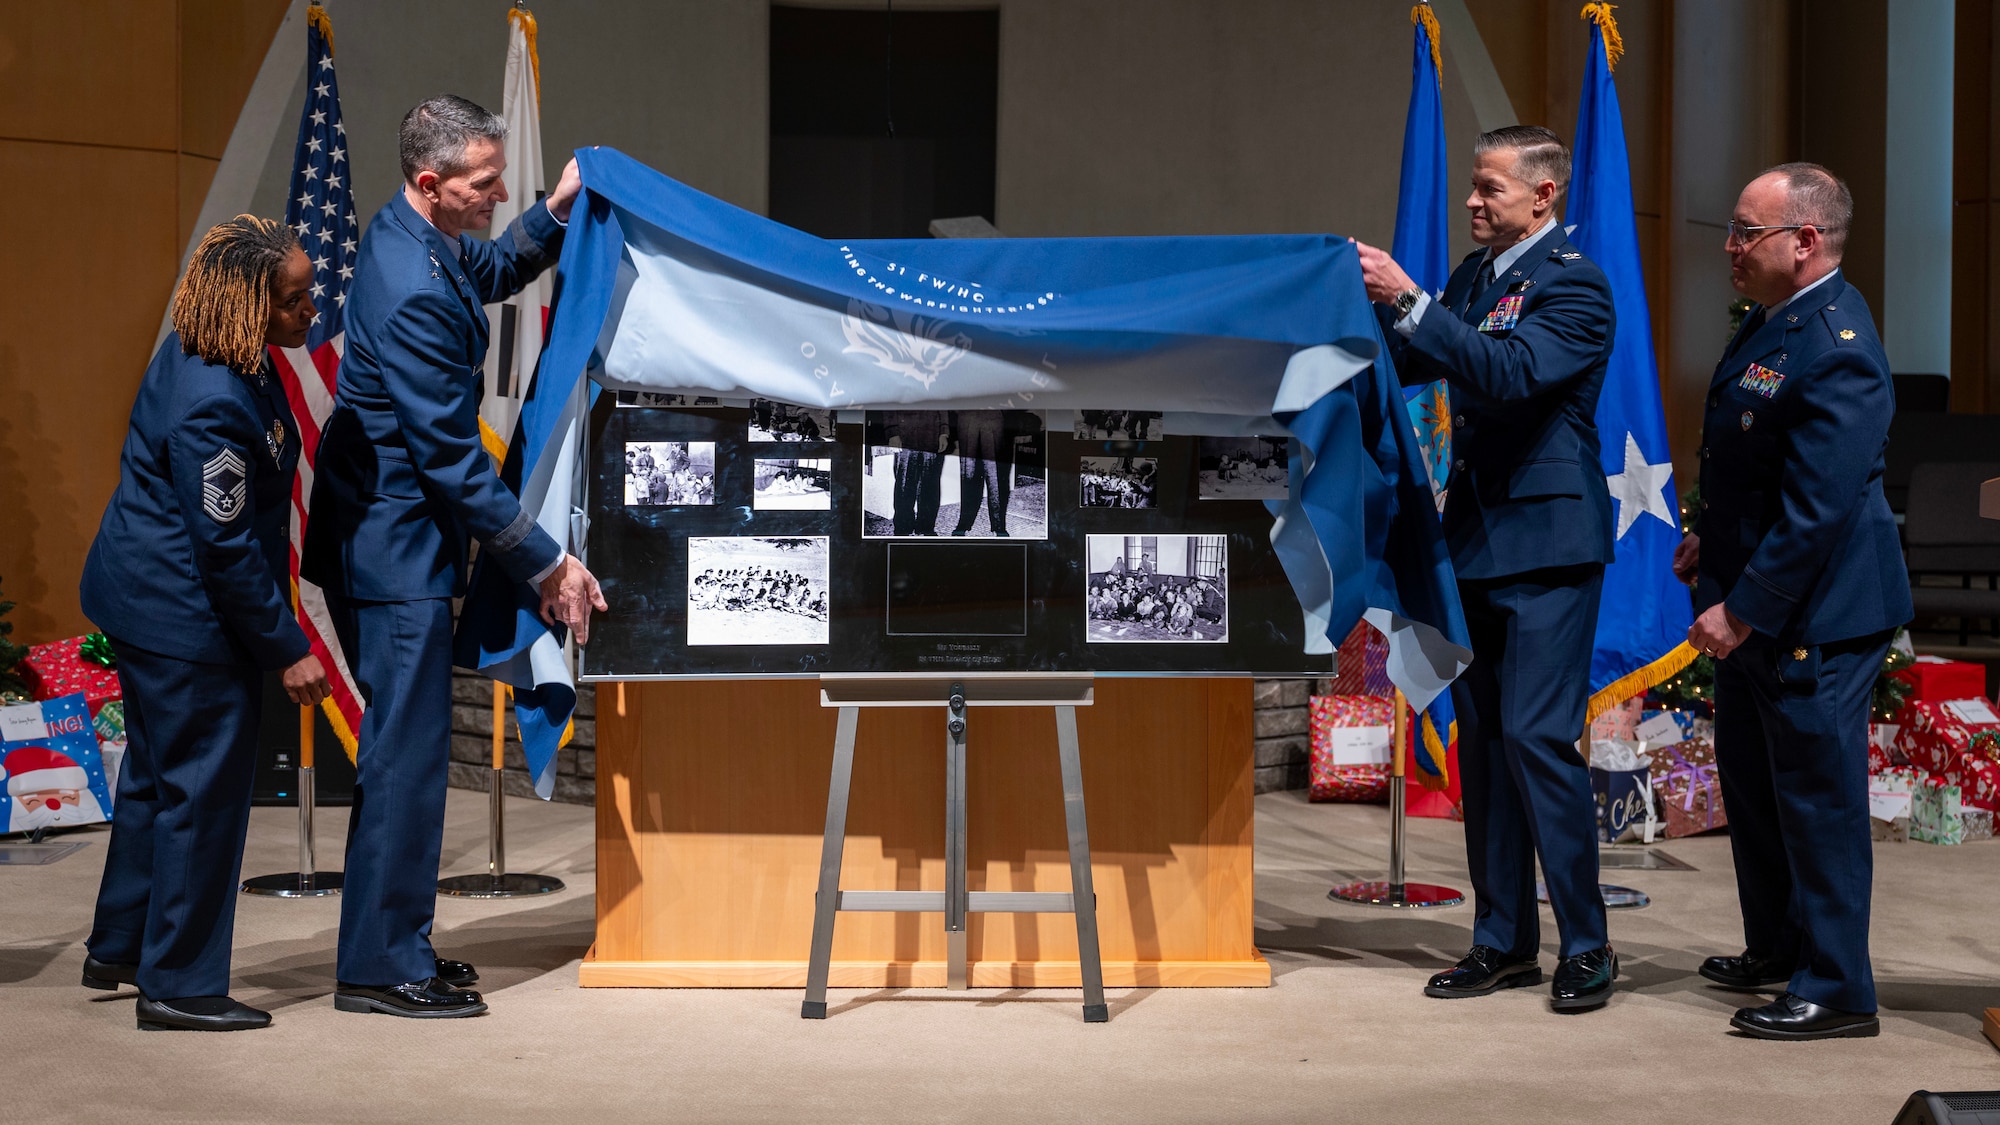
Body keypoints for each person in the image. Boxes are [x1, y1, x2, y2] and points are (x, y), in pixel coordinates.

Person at [302, 95, 606, 1019]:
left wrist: (554, 212)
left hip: (394, 540)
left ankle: (395, 942)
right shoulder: (414, 289)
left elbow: (499, 261)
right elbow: (451, 463)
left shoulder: (415, 235)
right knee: (405, 761)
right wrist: (548, 564)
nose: (499, 190)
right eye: (485, 182)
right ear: (432, 184)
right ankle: (381, 967)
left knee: (407, 756)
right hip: (393, 554)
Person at [1355, 124, 1619, 1012]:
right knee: (1486, 756)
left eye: (1491, 189)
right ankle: (1501, 939)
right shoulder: (1473, 279)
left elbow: (1509, 374)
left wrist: (1410, 299)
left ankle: (1587, 944)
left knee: (1537, 742)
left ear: (1542, 196)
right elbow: (1415, 362)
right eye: (1472, 187)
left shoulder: (1576, 283)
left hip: (1550, 543)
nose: (1473, 201)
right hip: (1473, 539)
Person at [79, 216, 331, 1032]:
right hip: (184, 617)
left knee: (155, 777)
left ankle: (122, 944)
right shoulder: (215, 400)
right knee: (204, 794)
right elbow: (223, 548)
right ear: (250, 302)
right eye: (295, 299)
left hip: (144, 598)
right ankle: (179, 983)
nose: (311, 310)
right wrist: (287, 647)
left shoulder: (214, 345)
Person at [1676, 164, 1909, 1041]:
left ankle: (1839, 985)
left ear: (1805, 241)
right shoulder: (1778, 323)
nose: (1730, 248)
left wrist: (1741, 609)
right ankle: (1778, 944)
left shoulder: (1837, 342)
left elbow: (1820, 507)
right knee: (1757, 781)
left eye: (1746, 232)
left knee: (1817, 796)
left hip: (1818, 610)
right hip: (1764, 594)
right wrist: (1715, 545)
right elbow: (1758, 470)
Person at [950, 410, 1014, 536]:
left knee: (994, 474)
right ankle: (964, 521)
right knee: (968, 473)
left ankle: (998, 524)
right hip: (967, 419)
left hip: (993, 419)